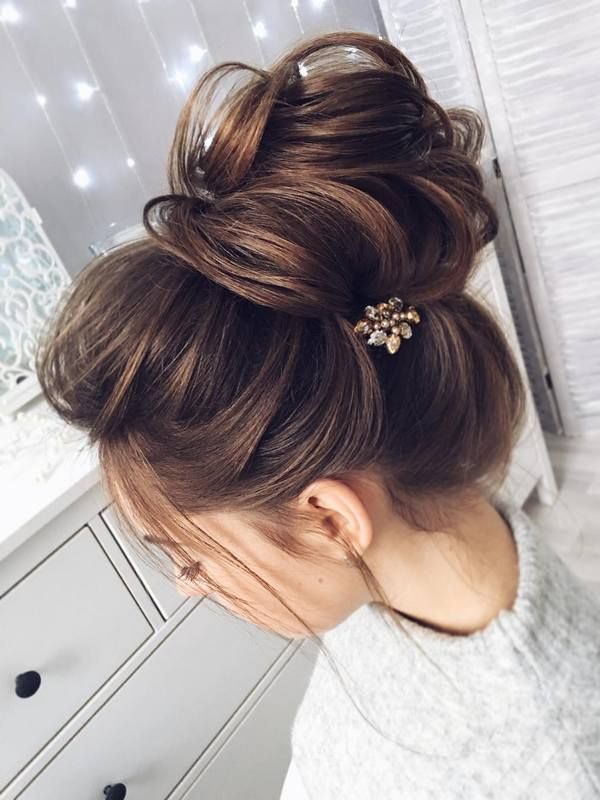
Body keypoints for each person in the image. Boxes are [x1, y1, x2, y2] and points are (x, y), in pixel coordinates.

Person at [35, 31, 600, 799]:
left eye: (192, 559)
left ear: (331, 520)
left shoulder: (552, 767)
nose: (188, 586)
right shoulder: (415, 551)